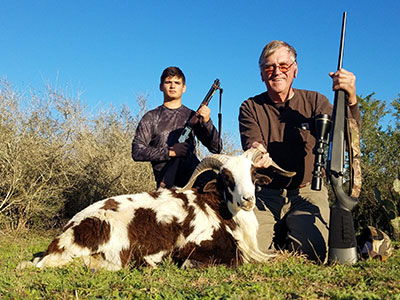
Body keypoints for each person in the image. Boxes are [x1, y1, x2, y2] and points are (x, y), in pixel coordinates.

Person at [238, 40, 361, 263]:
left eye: (283, 66)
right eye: (269, 67)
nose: (277, 72)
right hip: (266, 194)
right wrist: (256, 154)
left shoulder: (315, 101)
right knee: (249, 253)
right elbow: (252, 143)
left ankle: (290, 230)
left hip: (308, 192)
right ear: (262, 75)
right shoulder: (250, 106)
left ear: (295, 70)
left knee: (312, 252)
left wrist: (351, 98)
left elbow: (346, 140)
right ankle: (280, 230)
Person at [132, 66, 222, 189]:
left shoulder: (192, 116)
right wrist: (170, 152)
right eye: (168, 82)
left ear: (183, 88)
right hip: (166, 188)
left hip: (195, 185)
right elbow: (137, 151)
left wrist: (207, 121)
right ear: (161, 86)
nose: (173, 86)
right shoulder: (151, 117)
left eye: (177, 83)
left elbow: (216, 147)